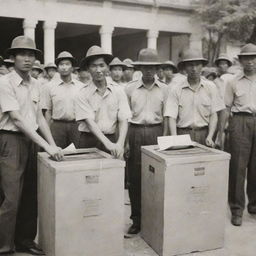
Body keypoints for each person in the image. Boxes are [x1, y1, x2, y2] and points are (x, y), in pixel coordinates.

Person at [0, 35, 63, 255]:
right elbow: (17, 119)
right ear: (13, 58)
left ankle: (25, 240)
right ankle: (4, 246)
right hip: (10, 140)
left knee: (30, 193)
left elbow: (39, 118)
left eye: (31, 55)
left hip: (32, 140)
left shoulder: (37, 84)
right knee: (11, 197)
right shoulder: (4, 83)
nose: (27, 59)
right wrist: (46, 145)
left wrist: (53, 145)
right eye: (22, 54)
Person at [125, 48, 168, 235]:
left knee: (156, 178)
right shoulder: (129, 88)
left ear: (158, 68)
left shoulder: (165, 90)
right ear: (139, 68)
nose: (149, 71)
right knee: (135, 178)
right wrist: (126, 142)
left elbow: (167, 117)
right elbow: (125, 118)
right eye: (145, 67)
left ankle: (154, 219)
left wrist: (165, 141)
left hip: (156, 132)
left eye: (153, 67)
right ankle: (136, 219)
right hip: (135, 133)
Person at [218, 43, 256, 226]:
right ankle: (236, 209)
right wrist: (220, 133)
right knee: (238, 167)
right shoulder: (232, 81)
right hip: (240, 121)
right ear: (240, 61)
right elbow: (226, 107)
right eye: (246, 58)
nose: (250, 62)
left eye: (253, 58)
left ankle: (254, 205)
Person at [75, 45, 131, 159]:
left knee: (113, 173)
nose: (98, 70)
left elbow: (123, 119)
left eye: (101, 65)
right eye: (93, 66)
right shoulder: (82, 93)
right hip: (88, 140)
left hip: (112, 138)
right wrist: (108, 144)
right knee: (89, 174)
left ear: (107, 67)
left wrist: (120, 143)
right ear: (88, 68)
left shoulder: (118, 90)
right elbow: (89, 122)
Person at [164, 49, 224, 146]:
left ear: (202, 66)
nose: (194, 68)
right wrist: (174, 138)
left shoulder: (210, 87)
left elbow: (213, 114)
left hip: (203, 134)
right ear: (184, 67)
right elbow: (171, 116)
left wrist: (210, 135)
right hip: (183, 134)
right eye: (190, 65)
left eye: (197, 64)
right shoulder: (176, 89)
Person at [44, 51, 83, 148]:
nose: (64, 67)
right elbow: (48, 111)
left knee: (77, 155)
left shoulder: (81, 87)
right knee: (56, 154)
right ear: (57, 68)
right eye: (61, 64)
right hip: (57, 126)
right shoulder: (49, 87)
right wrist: (47, 131)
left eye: (67, 64)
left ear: (72, 67)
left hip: (76, 125)